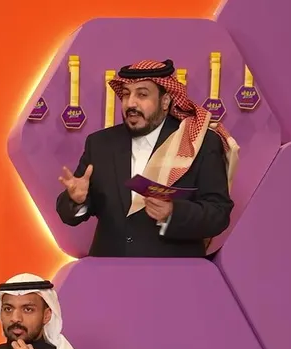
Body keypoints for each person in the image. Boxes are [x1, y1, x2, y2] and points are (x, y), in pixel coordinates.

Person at [56, 58, 239, 258]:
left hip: (174, 271)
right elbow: (68, 214)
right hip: (110, 270)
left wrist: (173, 213)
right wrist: (77, 200)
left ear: (165, 101)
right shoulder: (100, 144)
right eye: (126, 94)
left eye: (142, 95)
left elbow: (218, 213)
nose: (131, 103)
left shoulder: (198, 142)